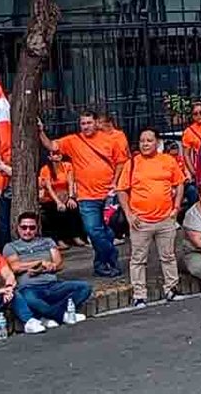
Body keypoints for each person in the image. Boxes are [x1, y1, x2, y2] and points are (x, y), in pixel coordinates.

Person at [40, 110, 127, 278]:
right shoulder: (74, 140)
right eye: (83, 123)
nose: (86, 126)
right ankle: (111, 254)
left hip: (108, 194)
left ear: (96, 123)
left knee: (106, 231)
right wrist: (40, 131)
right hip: (86, 196)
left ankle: (101, 264)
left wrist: (115, 182)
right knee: (93, 231)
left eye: (89, 123)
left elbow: (120, 163)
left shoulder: (110, 139)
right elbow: (52, 146)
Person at [116, 128, 185, 306]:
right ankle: (139, 294)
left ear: (158, 143)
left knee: (168, 256)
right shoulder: (132, 164)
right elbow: (122, 190)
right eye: (142, 141)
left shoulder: (168, 161)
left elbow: (179, 183)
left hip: (165, 218)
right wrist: (129, 215)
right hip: (140, 220)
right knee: (138, 259)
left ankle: (171, 288)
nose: (145, 144)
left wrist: (176, 208)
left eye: (149, 140)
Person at [3, 212, 91, 328]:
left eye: (32, 227)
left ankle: (48, 314)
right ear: (18, 228)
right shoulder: (11, 246)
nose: (27, 231)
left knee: (84, 287)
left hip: (53, 285)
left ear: (37, 228)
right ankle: (63, 315)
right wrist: (39, 262)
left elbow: (59, 264)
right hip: (30, 287)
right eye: (24, 227)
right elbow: (15, 267)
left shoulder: (47, 242)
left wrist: (48, 267)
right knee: (30, 300)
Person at [39, 150, 86, 248]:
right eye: (54, 154)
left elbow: (70, 182)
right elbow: (49, 188)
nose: (57, 156)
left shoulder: (67, 166)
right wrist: (58, 202)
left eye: (59, 153)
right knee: (55, 212)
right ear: (49, 157)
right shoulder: (45, 169)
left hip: (65, 195)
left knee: (73, 208)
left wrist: (71, 197)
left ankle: (76, 236)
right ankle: (59, 239)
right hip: (51, 198)